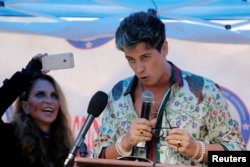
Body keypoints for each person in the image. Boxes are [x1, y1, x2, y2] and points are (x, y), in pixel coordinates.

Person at [93, 9, 247, 166]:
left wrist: (197, 150)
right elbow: (97, 157)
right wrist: (124, 143)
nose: (138, 68)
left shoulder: (204, 90)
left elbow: (238, 157)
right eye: (130, 59)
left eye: (145, 57)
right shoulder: (118, 93)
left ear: (164, 48)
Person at [0, 54, 74, 167]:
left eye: (54, 95)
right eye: (40, 95)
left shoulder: (64, 147)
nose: (49, 101)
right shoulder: (8, 138)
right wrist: (24, 77)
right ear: (25, 106)